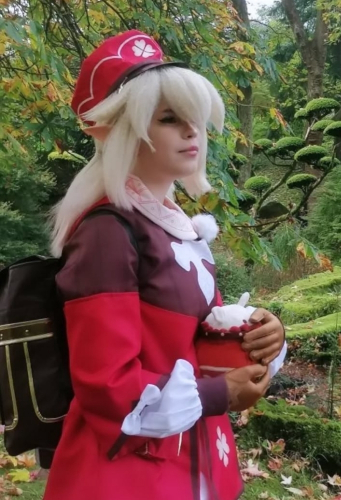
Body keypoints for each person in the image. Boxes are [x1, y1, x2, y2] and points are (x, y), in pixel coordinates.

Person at [44, 30, 287, 500]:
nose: (192, 131)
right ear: (117, 132)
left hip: (193, 458)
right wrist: (219, 395)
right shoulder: (107, 234)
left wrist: (262, 333)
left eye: (193, 118)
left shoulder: (179, 228)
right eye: (169, 119)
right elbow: (106, 383)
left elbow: (206, 337)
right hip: (129, 475)